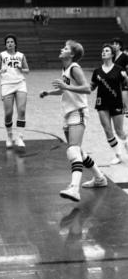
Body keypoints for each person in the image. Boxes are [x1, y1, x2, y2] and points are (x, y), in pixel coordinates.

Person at [40, 40, 107, 202]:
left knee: (72, 150)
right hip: (68, 114)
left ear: (72, 54)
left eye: (65, 48)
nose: (61, 49)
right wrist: (49, 92)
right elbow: (64, 89)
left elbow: (87, 89)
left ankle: (74, 188)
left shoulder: (74, 68)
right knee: (79, 152)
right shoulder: (65, 69)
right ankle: (99, 178)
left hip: (79, 112)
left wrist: (66, 87)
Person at [91, 43, 128, 165]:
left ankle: (126, 145)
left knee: (120, 132)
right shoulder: (97, 71)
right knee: (107, 130)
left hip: (116, 102)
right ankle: (117, 154)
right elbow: (91, 87)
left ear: (112, 54)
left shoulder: (119, 70)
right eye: (102, 51)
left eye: (106, 51)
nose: (104, 52)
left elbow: (126, 84)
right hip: (102, 103)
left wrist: (125, 101)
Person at [0, 34, 29, 148]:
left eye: (11, 41)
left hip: (20, 84)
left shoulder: (21, 55)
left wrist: (21, 69)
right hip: (7, 84)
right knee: (8, 113)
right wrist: (0, 71)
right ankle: (9, 136)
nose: (10, 43)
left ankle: (19, 137)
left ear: (15, 43)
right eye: (7, 42)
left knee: (21, 110)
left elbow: (27, 70)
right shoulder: (2, 55)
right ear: (5, 44)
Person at [111, 37, 128, 116]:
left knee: (123, 91)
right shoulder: (112, 56)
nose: (114, 45)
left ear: (120, 46)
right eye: (113, 44)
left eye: (116, 44)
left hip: (122, 77)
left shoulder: (124, 56)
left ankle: (126, 108)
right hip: (114, 77)